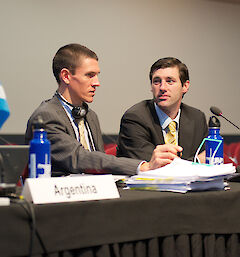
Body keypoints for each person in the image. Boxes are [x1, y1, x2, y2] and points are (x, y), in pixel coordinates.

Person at [25, 44, 181, 177]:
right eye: (90, 75)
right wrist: (142, 166)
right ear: (66, 76)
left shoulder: (90, 116)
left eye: (97, 75)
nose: (97, 83)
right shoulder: (46, 116)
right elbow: (79, 158)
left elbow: (100, 165)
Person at [116, 57, 208, 162]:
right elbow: (156, 165)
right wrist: (196, 161)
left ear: (185, 86)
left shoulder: (196, 118)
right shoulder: (135, 118)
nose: (162, 87)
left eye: (170, 81)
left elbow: (208, 158)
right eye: (156, 81)